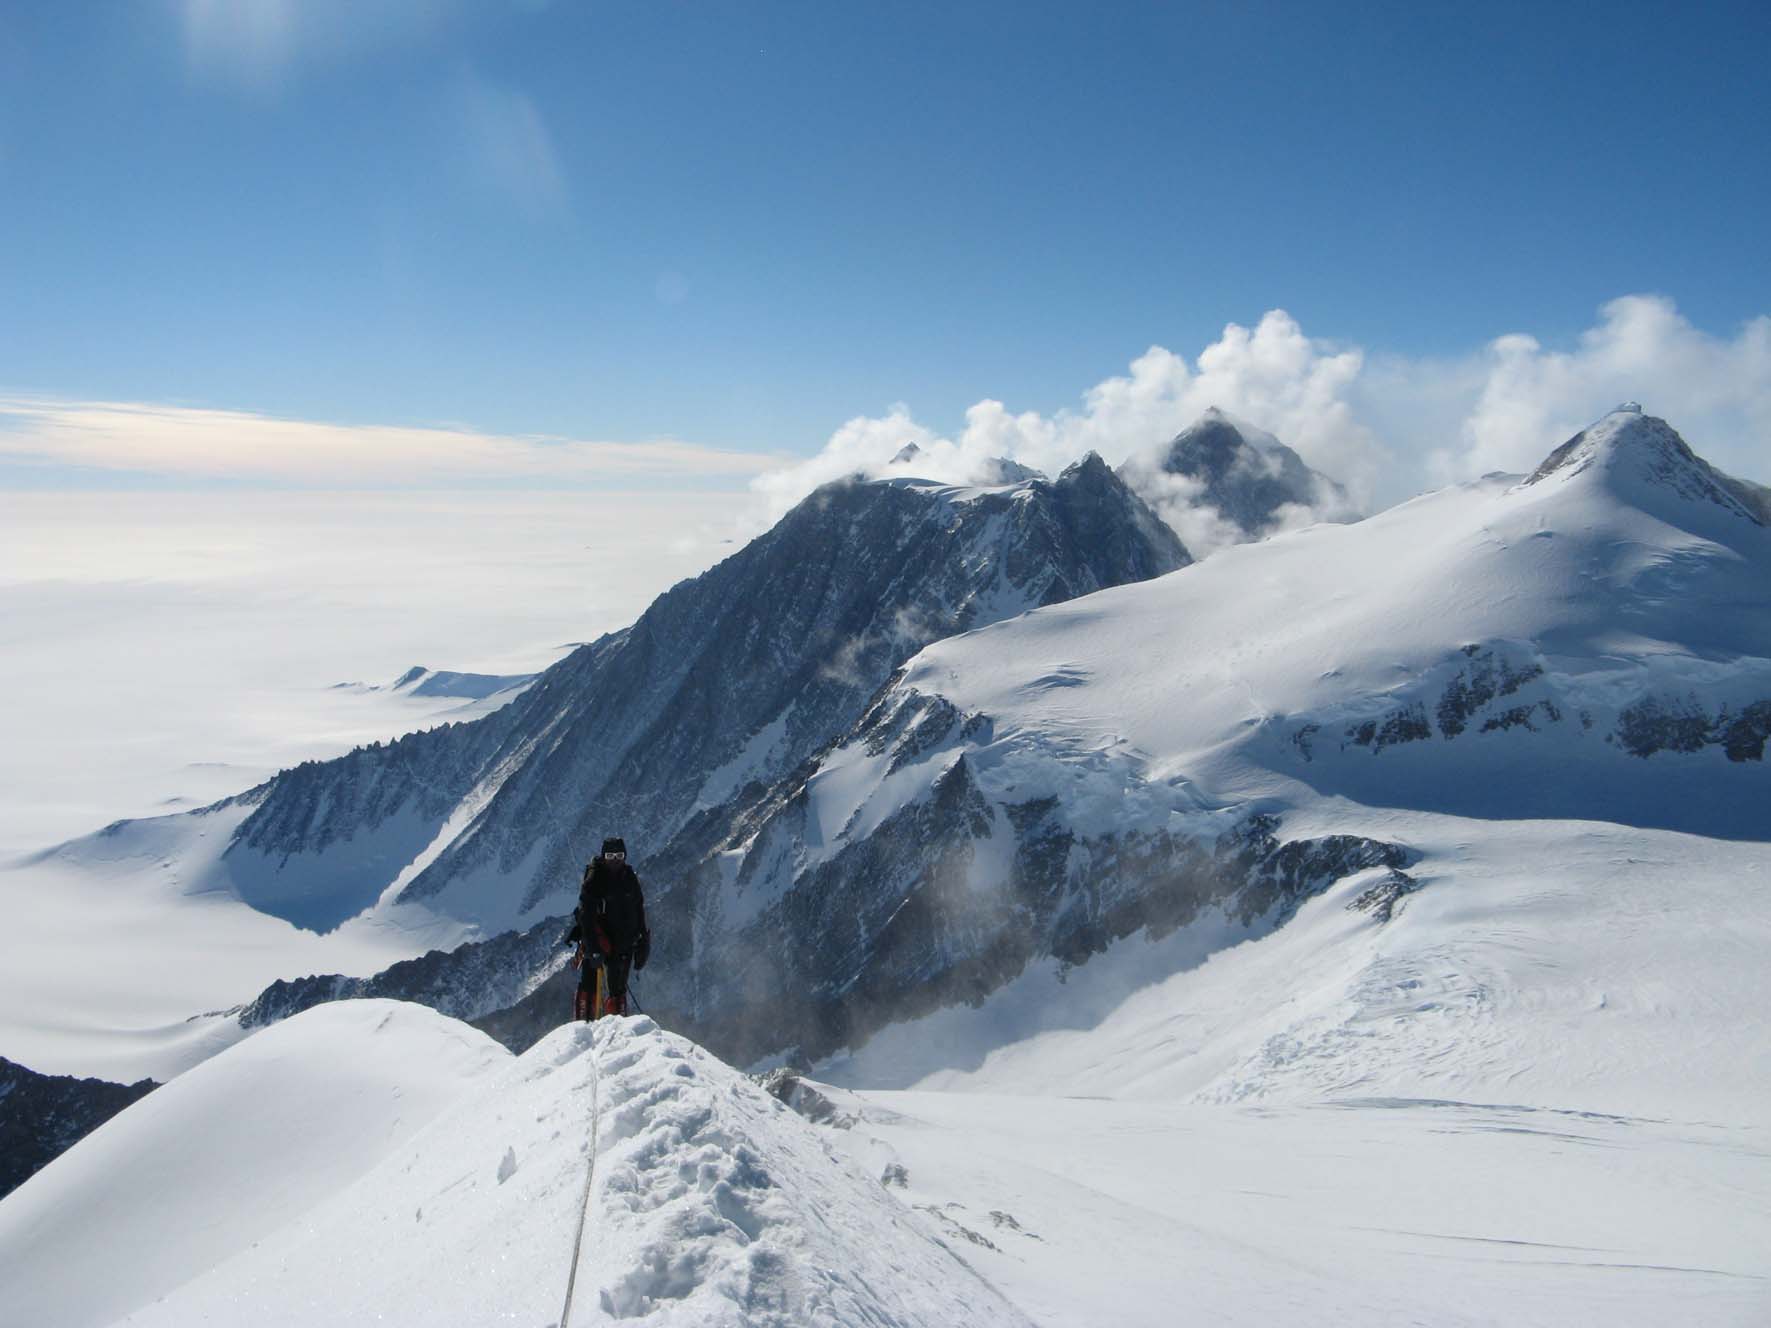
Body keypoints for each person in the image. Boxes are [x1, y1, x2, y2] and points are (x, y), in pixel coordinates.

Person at [562, 837, 650, 1021]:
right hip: (599, 940)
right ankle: (584, 1027)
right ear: (603, 856)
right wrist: (593, 947)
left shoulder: (629, 878)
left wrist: (643, 940)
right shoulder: (595, 878)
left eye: (619, 855)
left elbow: (638, 909)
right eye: (610, 855)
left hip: (623, 943)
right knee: (589, 984)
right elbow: (586, 915)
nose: (615, 860)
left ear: (625, 856)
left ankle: (618, 1026)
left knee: (618, 988)